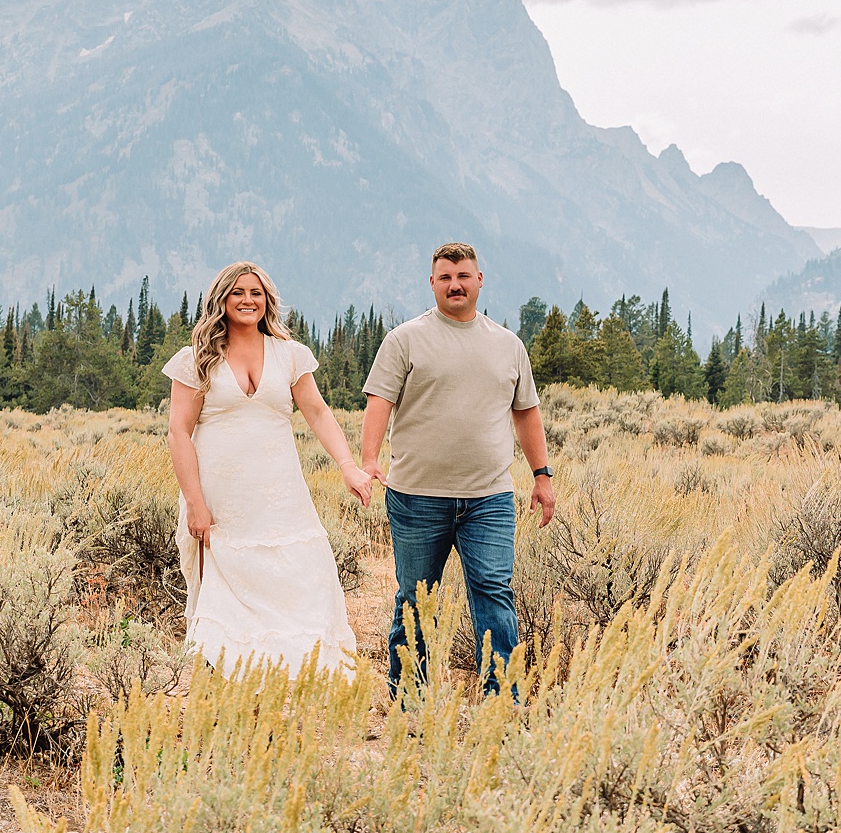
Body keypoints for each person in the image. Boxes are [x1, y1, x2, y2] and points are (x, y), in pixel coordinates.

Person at [361, 242, 555, 694]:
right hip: (417, 497)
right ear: (432, 283)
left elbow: (526, 412)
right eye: (445, 277)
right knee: (415, 597)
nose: (455, 285)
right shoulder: (405, 339)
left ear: (479, 280)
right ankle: (409, 697)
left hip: (489, 497)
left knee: (493, 592)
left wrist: (541, 475)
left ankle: (502, 698)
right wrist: (369, 460)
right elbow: (379, 402)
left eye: (463, 276)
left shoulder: (507, 346)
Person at [164, 260, 374, 674]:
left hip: (281, 497)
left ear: (267, 301)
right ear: (221, 300)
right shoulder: (197, 360)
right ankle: (227, 688)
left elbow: (316, 412)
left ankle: (291, 678)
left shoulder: (290, 355)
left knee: (297, 579)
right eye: (238, 292)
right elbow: (178, 432)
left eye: (255, 293)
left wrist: (348, 466)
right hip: (222, 501)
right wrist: (194, 502)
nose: (247, 300)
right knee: (224, 592)